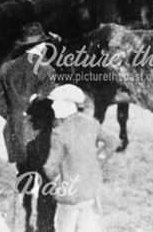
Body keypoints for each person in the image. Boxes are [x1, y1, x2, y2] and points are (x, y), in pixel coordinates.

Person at [0, 23, 58, 232]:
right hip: (38, 133)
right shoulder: (46, 70)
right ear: (41, 45)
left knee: (24, 178)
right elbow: (48, 106)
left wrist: (12, 116)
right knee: (46, 180)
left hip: (14, 132)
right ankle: (45, 227)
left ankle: (21, 224)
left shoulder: (6, 67)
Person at [44, 84, 119, 232]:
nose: (53, 107)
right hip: (89, 190)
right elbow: (113, 141)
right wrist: (98, 161)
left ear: (67, 104)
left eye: (56, 103)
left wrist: (54, 182)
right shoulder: (91, 123)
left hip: (68, 196)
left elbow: (50, 168)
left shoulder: (59, 132)